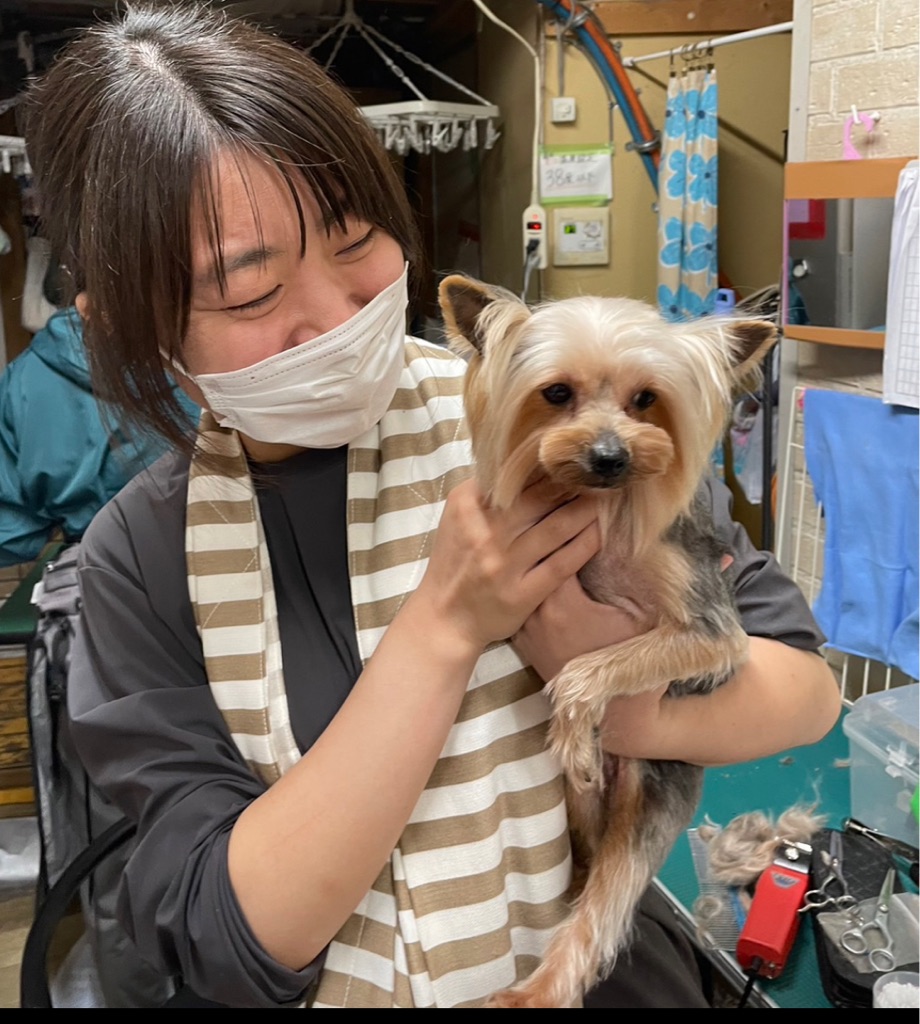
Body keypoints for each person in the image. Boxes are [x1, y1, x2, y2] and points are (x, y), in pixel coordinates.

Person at [21, 3, 840, 1009]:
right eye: (249, 290)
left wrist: (619, 699)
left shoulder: (544, 425)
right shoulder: (141, 557)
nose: (336, 312)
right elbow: (231, 935)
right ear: (127, 320)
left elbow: (805, 692)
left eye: (353, 238)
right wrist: (446, 623)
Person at [0, 305, 198, 566]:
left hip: (100, 568)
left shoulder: (25, 379)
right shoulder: (214, 358)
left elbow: (10, 531)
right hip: (216, 552)